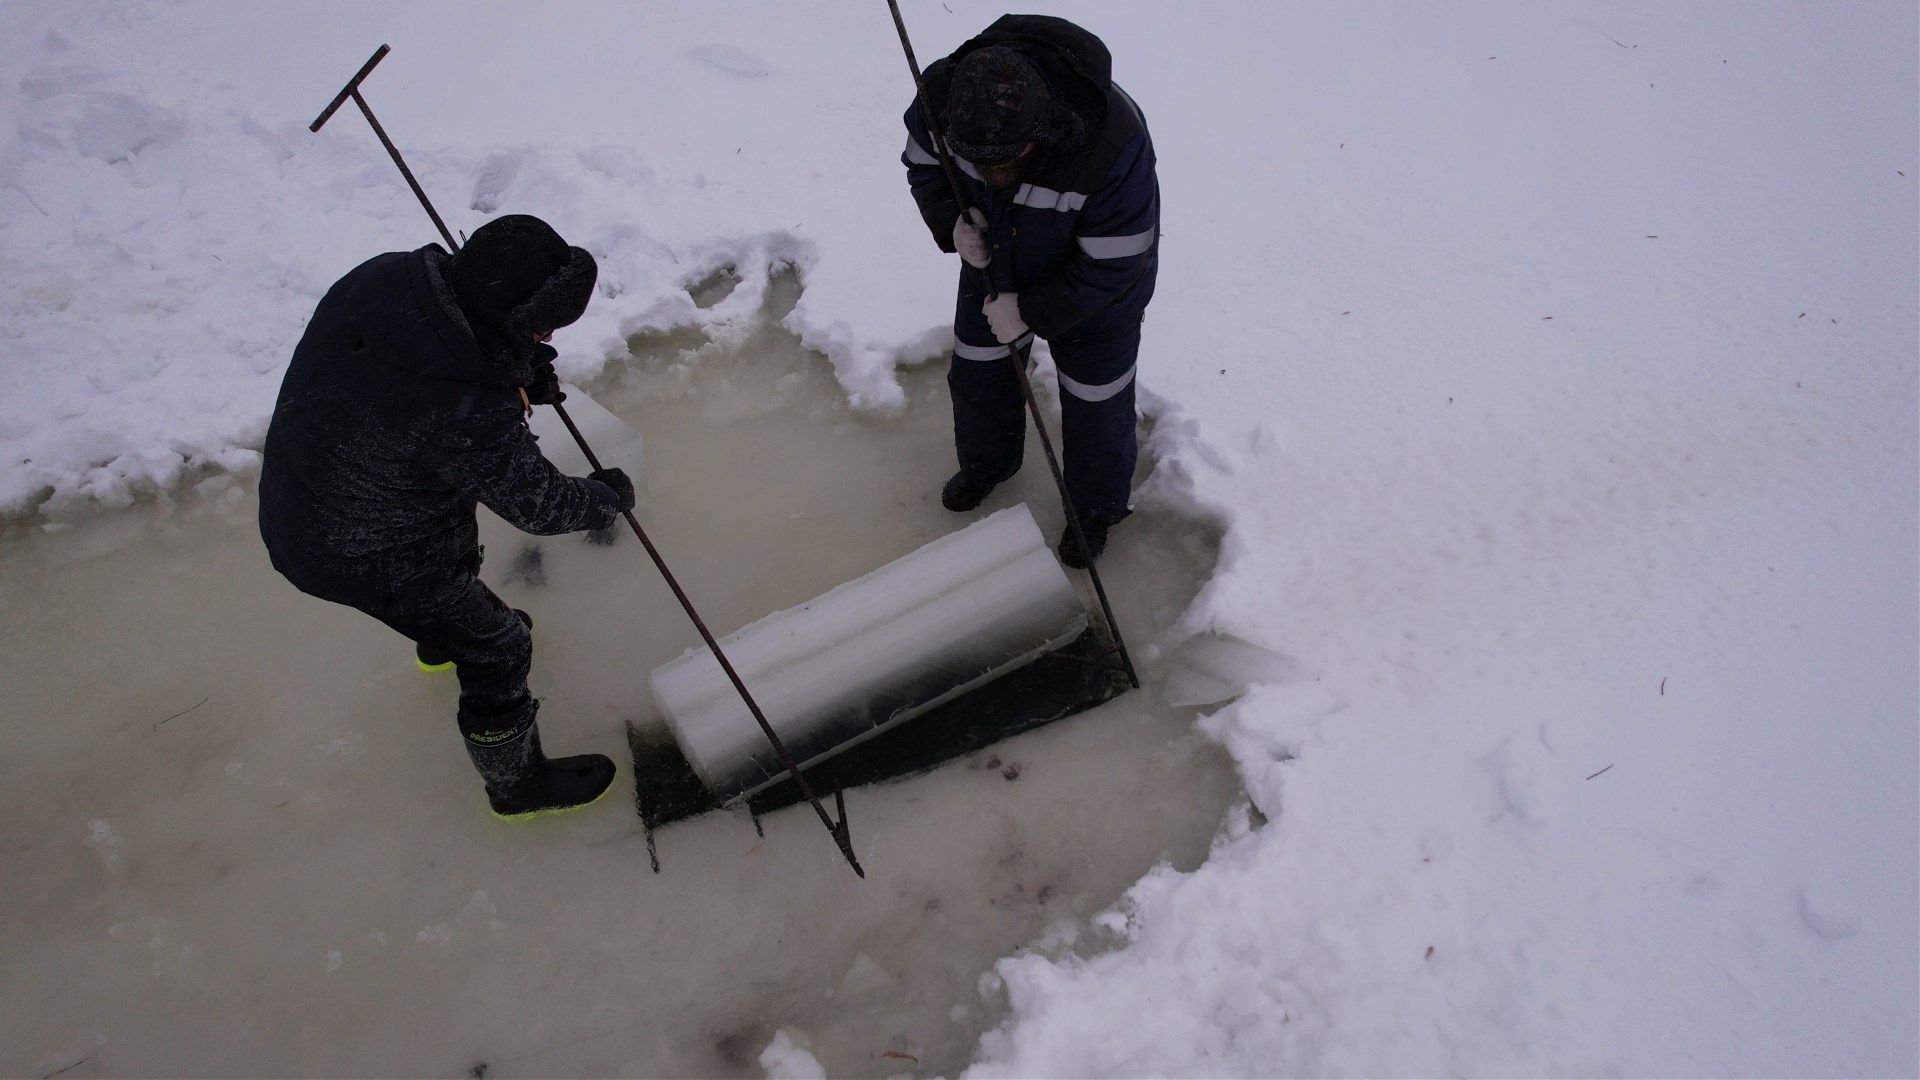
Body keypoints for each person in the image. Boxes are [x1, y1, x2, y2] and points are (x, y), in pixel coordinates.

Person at [259, 214, 632, 821]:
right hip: (355, 547)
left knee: (451, 536)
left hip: (307, 490)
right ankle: (517, 787)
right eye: (540, 329)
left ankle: (441, 637)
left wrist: (516, 362)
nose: (546, 339)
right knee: (499, 648)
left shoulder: (387, 279)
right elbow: (539, 505)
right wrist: (606, 497)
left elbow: (436, 365)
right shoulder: (462, 408)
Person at [901, 14, 1159, 567]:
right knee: (978, 368)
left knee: (1097, 398)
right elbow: (923, 167)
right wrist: (952, 219)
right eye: (978, 161)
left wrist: (1033, 310)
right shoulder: (937, 102)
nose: (991, 173)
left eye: (1004, 161)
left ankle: (1094, 509)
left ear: (1041, 132)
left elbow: (1118, 261)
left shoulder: (1111, 140)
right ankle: (987, 466)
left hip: (1098, 294)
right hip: (995, 263)